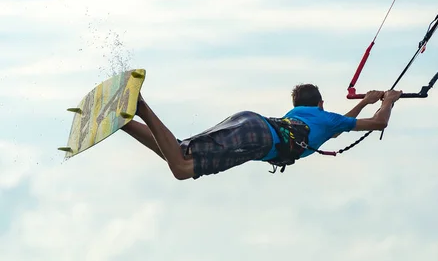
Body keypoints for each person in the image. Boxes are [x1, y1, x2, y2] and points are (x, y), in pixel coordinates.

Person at [121, 84, 403, 180]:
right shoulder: (326, 119)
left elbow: (339, 127)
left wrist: (366, 101)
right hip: (261, 139)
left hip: (249, 120)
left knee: (179, 150)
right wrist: (389, 99)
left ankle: (124, 122)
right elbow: (379, 123)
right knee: (182, 169)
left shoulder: (304, 116)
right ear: (320, 104)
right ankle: (141, 107)